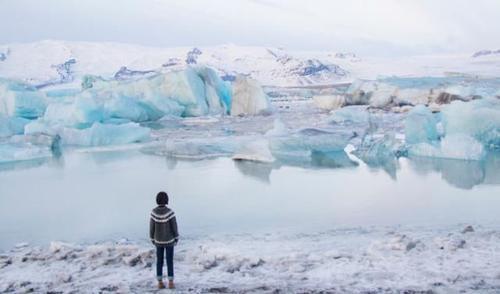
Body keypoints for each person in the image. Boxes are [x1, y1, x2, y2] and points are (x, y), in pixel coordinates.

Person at [150, 191, 179, 289]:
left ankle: (160, 283)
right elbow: (174, 226)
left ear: (157, 200)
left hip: (158, 241)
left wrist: (152, 238)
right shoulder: (170, 212)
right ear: (167, 200)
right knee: (169, 261)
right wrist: (176, 237)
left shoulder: (154, 212)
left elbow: (151, 227)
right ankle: (171, 282)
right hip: (169, 241)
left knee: (159, 261)